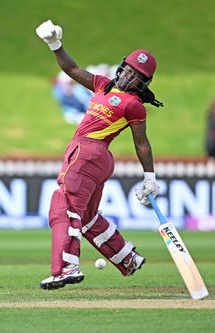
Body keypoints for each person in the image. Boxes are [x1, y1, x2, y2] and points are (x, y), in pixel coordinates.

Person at [35, 19, 163, 290]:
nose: (129, 76)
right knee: (88, 215)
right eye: (128, 70)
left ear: (144, 82)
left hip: (89, 151)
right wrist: (55, 44)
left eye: (136, 75)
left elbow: (141, 143)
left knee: (64, 206)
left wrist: (150, 178)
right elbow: (71, 69)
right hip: (97, 159)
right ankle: (126, 258)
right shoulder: (104, 85)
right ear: (121, 67)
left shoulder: (135, 106)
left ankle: (65, 268)